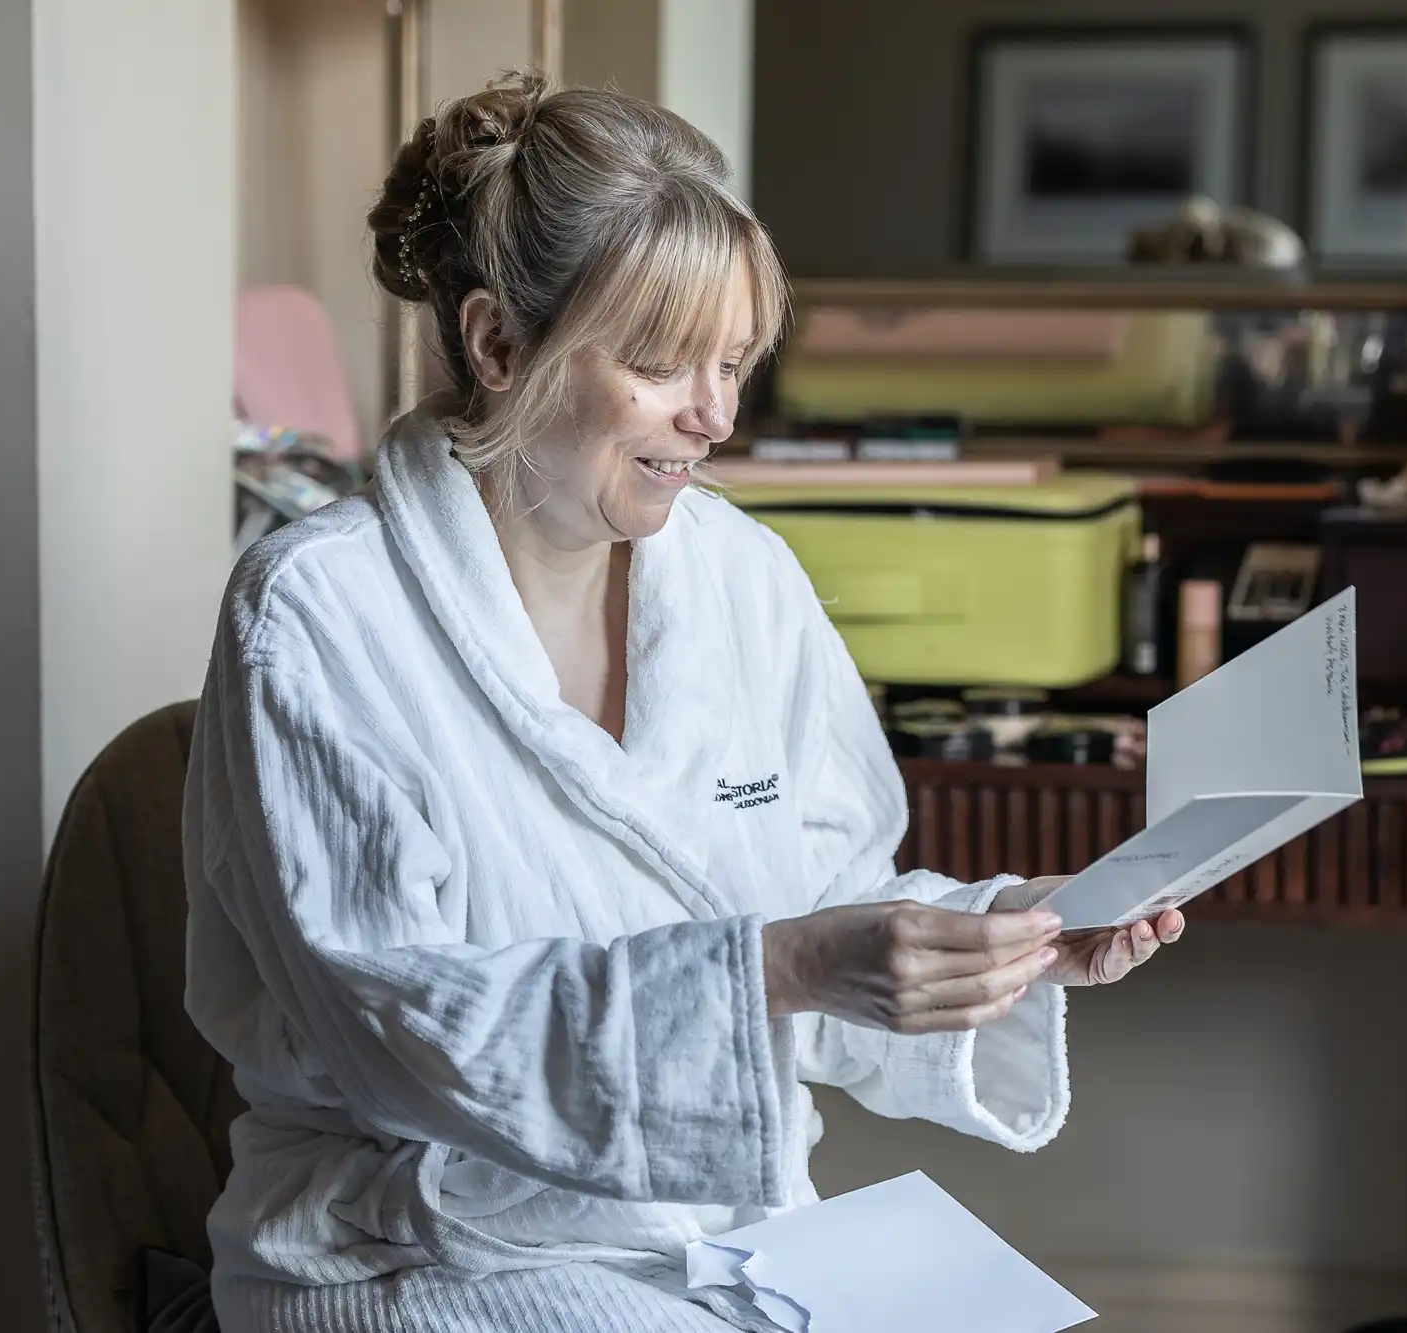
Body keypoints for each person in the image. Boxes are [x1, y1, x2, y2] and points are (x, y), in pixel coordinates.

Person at [184, 72, 1183, 1333]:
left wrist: (1019, 932)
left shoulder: (737, 576)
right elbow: (401, 1030)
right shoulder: (320, 612)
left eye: (732, 363)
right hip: (413, 1255)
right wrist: (777, 967)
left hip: (709, 1243)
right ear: (498, 346)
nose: (711, 417)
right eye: (662, 365)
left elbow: (823, 898)